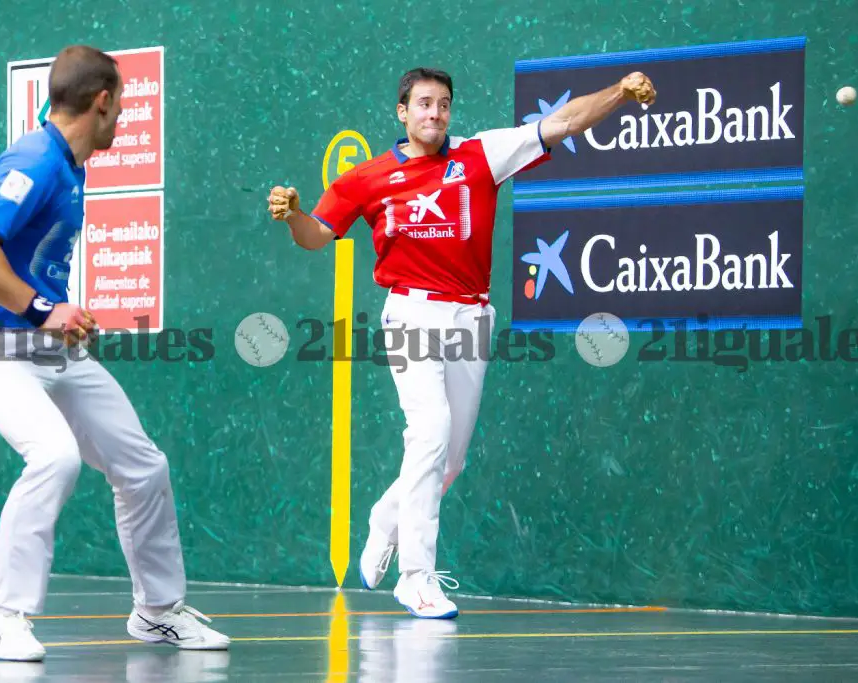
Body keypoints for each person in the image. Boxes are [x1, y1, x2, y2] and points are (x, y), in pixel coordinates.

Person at [268, 67, 656, 619]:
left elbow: (562, 122)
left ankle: (386, 517)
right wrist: (294, 216)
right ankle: (416, 576)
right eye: (424, 104)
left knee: (449, 461)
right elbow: (317, 237)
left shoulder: (481, 156)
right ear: (402, 112)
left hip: (473, 317)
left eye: (444, 104)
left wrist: (619, 91)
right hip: (412, 313)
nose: (435, 113)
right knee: (429, 431)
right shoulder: (366, 179)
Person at [0, 45, 230, 661]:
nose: (123, 116)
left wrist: (53, 315)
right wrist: (44, 309)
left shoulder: (70, 165)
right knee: (54, 456)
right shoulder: (33, 160)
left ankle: (158, 612)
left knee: (143, 466)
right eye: (121, 104)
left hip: (48, 348)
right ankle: (1, 617)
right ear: (102, 101)